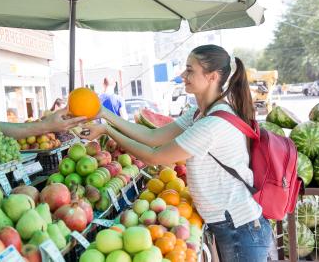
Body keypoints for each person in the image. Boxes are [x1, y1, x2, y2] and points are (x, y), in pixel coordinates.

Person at [79, 45, 272, 261]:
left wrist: (108, 130)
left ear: (212, 76)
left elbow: (154, 155)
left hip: (241, 229)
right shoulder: (199, 112)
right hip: (233, 226)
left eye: (190, 70)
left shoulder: (212, 123)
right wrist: (105, 116)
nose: (183, 76)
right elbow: (153, 136)